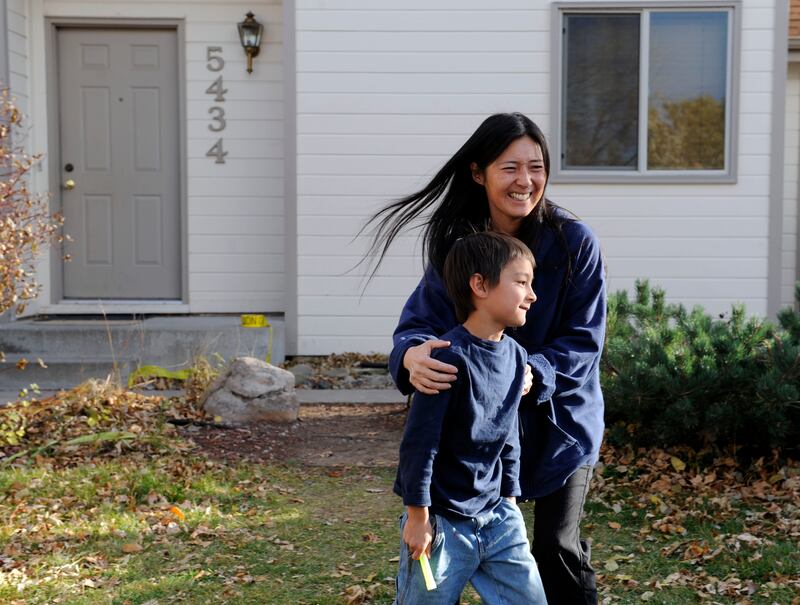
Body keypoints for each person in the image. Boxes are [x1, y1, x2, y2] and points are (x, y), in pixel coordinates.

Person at [366, 112, 606, 605]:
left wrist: (531, 373)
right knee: (459, 558)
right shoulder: (462, 248)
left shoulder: (574, 242)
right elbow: (417, 325)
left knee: (555, 547)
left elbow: (583, 342)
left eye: (536, 167)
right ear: (479, 173)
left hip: (561, 420)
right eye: (510, 168)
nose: (526, 181)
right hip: (479, 430)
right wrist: (410, 357)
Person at [393, 231, 547, 604]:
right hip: (442, 524)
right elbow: (421, 444)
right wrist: (418, 517)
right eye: (522, 282)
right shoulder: (447, 359)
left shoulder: (516, 357)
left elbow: (509, 433)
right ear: (479, 285)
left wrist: (510, 497)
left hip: (498, 518)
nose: (532, 295)